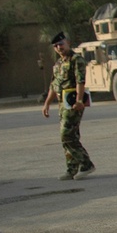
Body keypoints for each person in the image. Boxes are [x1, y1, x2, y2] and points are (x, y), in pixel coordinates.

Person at [42, 32, 95, 181]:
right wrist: (46, 104)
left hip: (73, 102)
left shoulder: (76, 60)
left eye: (61, 44)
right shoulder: (58, 64)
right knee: (70, 136)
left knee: (66, 135)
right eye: (56, 46)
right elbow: (54, 85)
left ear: (68, 43)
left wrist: (79, 100)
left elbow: (80, 81)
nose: (59, 47)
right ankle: (72, 168)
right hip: (62, 103)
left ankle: (86, 164)